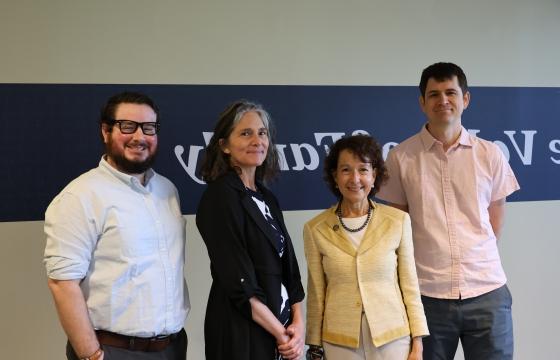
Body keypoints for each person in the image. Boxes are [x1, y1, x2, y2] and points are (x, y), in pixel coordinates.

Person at [377, 62, 520, 360]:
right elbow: (399, 228)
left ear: (465, 99)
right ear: (422, 102)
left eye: (451, 93)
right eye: (434, 94)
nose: (443, 101)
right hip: (427, 297)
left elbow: (495, 224)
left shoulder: (490, 154)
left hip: (487, 292)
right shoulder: (401, 158)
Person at [44, 92, 190, 360]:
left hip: (173, 348)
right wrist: (91, 355)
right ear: (105, 131)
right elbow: (62, 283)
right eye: (127, 126)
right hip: (113, 350)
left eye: (149, 128)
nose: (139, 136)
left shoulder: (167, 190)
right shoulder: (80, 197)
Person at [196, 100, 305, 360]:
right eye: (246, 133)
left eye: (262, 132)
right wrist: (281, 334)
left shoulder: (267, 197)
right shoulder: (220, 196)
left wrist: (298, 324)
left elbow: (290, 271)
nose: (257, 140)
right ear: (224, 145)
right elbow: (239, 282)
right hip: (241, 333)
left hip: (280, 333)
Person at [304, 134, 429, 360]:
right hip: (339, 342)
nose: (355, 178)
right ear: (334, 177)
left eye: (363, 169)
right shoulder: (315, 229)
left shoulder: (398, 221)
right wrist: (314, 346)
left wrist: (417, 345)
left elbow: (410, 286)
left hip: (393, 338)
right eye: (345, 170)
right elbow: (316, 294)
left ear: (374, 176)